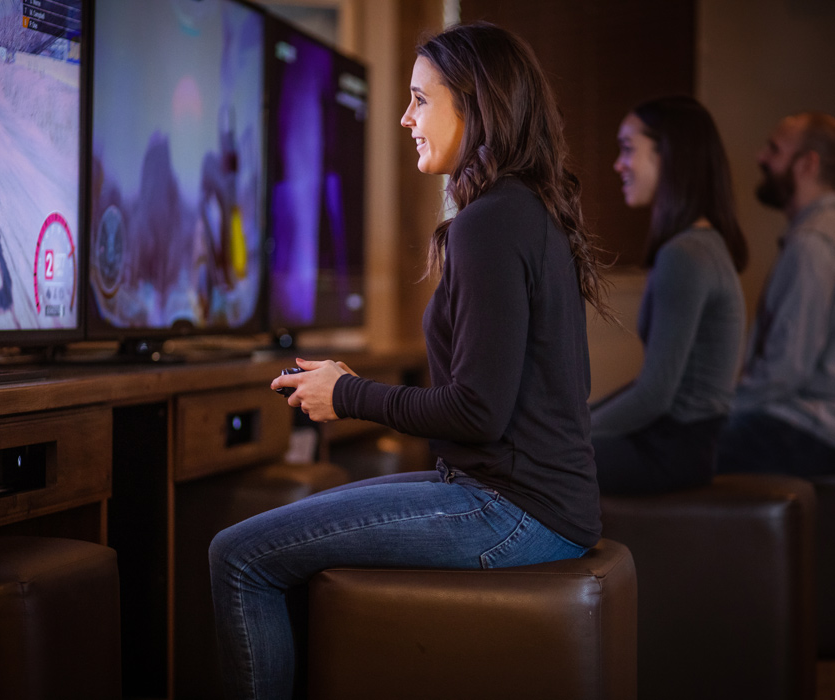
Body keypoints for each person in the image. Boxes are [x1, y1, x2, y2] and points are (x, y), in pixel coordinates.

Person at [208, 22, 611, 700]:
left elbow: (477, 410)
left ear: (474, 104)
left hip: (514, 513)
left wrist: (348, 393)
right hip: (529, 503)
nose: (405, 117)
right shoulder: (521, 209)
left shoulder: (491, 222)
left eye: (421, 99)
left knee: (238, 557)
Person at [590, 96, 748, 494]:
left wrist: (566, 437)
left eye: (628, 149)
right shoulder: (700, 246)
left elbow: (655, 394)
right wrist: (576, 423)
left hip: (672, 452)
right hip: (680, 447)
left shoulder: (686, 254)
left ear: (671, 157)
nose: (618, 164)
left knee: (520, 466)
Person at [716, 111, 835, 476]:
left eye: (775, 149)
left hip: (807, 427)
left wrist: (720, 407)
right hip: (808, 423)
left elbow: (786, 371)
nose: (761, 158)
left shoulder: (812, 242)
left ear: (807, 164)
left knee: (672, 450)